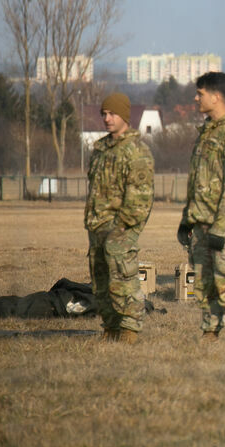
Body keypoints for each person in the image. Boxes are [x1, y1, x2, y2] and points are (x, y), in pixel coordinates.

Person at [177, 71, 225, 342]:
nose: (195, 98)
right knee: (204, 279)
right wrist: (188, 219)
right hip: (202, 220)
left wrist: (221, 226)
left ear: (217, 96)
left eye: (200, 93)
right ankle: (209, 331)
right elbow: (200, 179)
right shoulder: (207, 130)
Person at [84, 92, 155, 343]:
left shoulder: (136, 151)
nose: (107, 118)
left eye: (112, 113)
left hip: (121, 227)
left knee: (123, 279)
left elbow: (140, 197)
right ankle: (111, 325)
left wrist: (122, 228)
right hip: (97, 226)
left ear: (124, 116)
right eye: (104, 113)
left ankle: (129, 329)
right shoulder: (100, 149)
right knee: (101, 281)